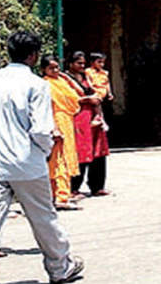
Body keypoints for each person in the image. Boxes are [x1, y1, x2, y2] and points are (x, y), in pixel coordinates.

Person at [0, 32, 82, 284]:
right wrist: (42, 153)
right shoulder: (35, 84)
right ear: (33, 56)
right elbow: (41, 129)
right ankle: (60, 267)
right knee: (43, 218)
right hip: (27, 163)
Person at [39, 56, 80, 209]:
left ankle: (62, 194)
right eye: (51, 68)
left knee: (66, 157)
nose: (55, 71)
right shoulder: (45, 84)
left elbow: (79, 95)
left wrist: (68, 79)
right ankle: (59, 196)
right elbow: (47, 107)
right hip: (55, 121)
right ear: (44, 69)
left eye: (57, 67)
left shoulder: (61, 82)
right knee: (57, 160)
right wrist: (54, 128)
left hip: (67, 121)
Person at [62, 53, 102, 197]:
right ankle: (74, 188)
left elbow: (95, 92)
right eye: (79, 63)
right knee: (80, 151)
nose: (82, 66)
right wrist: (87, 99)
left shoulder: (86, 77)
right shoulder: (65, 79)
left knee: (96, 150)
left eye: (83, 63)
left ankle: (96, 186)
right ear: (71, 64)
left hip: (91, 116)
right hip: (78, 116)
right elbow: (67, 99)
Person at [84, 52, 112, 195]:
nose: (101, 65)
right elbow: (88, 83)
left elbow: (108, 84)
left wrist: (109, 93)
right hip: (93, 97)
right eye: (99, 62)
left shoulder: (104, 73)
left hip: (101, 96)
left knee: (100, 150)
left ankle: (98, 185)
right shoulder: (87, 73)